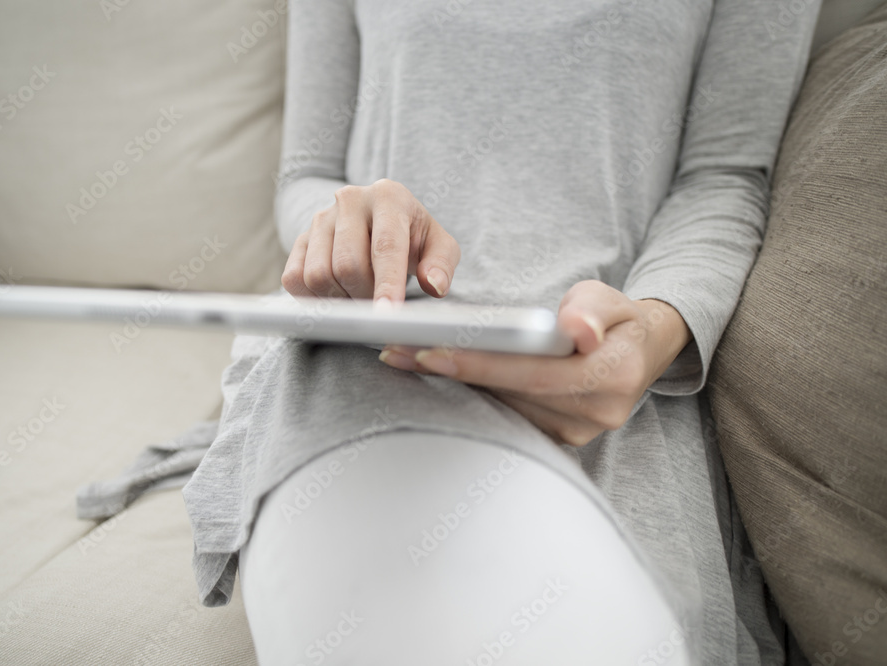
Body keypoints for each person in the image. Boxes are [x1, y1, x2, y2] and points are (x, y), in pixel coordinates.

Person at [181, 1, 821, 663]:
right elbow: (306, 175)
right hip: (368, 343)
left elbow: (723, 177)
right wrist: (354, 230)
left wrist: (655, 330)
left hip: (599, 362)